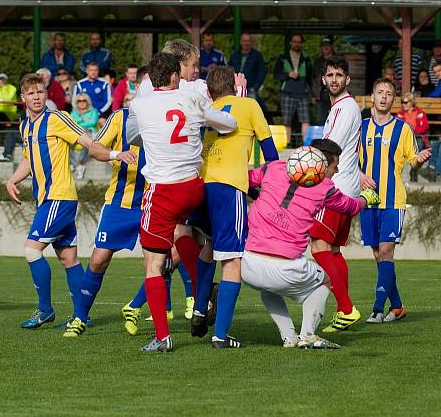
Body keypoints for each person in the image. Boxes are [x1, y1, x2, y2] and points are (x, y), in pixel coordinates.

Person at [126, 52, 237, 352]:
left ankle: (163, 337)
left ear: (151, 78)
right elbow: (227, 123)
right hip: (193, 187)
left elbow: (132, 136)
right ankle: (201, 297)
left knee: (153, 264)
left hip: (162, 191)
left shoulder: (139, 104)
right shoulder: (192, 100)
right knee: (192, 237)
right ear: (176, 76)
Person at [5, 73, 134, 330]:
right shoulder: (25, 126)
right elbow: (29, 159)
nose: (37, 97)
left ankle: (45, 310)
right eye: (31, 93)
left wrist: (114, 153)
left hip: (60, 197)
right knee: (68, 259)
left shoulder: (57, 118)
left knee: (31, 250)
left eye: (40, 92)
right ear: (23, 98)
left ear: (46, 94)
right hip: (46, 199)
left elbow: (88, 141)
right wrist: (12, 180)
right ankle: (80, 315)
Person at [242, 139, 378, 349]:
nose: (337, 170)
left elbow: (245, 180)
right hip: (286, 266)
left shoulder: (274, 167)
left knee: (268, 289)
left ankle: (289, 337)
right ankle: (308, 335)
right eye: (335, 165)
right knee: (324, 280)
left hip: (248, 265)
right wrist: (365, 198)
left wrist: (259, 196)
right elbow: (350, 207)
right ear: (321, 164)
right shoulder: (324, 187)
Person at [189, 66, 278, 348]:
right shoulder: (249, 105)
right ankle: (220, 335)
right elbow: (270, 151)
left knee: (209, 246)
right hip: (228, 188)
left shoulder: (208, 109)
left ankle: (200, 308)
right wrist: (272, 183)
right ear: (236, 84)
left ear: (209, 90)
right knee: (233, 259)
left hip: (202, 185)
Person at [63, 93, 147, 338]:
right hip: (119, 204)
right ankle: (80, 317)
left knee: (167, 258)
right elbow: (95, 148)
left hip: (153, 202)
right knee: (99, 258)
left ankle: (134, 306)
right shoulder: (120, 117)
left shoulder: (162, 118)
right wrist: (115, 154)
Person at [360, 78, 431, 324]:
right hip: (367, 201)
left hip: (393, 200)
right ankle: (398, 307)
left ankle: (378, 308)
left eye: (389, 93)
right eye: (380, 92)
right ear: (372, 96)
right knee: (379, 255)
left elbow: (413, 162)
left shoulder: (403, 129)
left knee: (387, 251)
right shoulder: (360, 128)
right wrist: (359, 176)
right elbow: (349, 162)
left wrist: (420, 159)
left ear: (393, 100)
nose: (383, 96)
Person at [308, 58, 363, 333]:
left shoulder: (344, 107)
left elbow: (332, 148)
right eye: (329, 74)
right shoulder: (342, 108)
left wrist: (305, 161)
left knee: (318, 248)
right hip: (347, 186)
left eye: (339, 75)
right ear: (323, 79)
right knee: (333, 251)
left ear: (347, 80)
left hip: (335, 188)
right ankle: (344, 311)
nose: (333, 79)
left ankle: (346, 307)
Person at [274, 34, 312, 145]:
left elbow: (311, 77)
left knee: (306, 120)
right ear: (291, 43)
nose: (297, 44)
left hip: (303, 92)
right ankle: (287, 144)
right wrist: (288, 74)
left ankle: (306, 144)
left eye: (299, 42)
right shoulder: (283, 57)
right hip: (287, 92)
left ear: (302, 44)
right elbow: (276, 74)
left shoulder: (306, 58)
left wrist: (313, 94)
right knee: (286, 121)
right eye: (294, 41)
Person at [311, 38, 341, 126]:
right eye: (324, 46)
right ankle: (322, 140)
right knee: (321, 119)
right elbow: (314, 79)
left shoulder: (338, 60)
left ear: (331, 47)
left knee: (336, 118)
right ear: (321, 48)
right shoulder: (317, 61)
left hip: (336, 92)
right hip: (321, 94)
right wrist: (314, 95)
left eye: (327, 45)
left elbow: (343, 75)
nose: (326, 47)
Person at [229, 32, 266, 102]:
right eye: (244, 41)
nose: (246, 43)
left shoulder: (257, 56)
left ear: (251, 42)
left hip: (250, 90)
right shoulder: (234, 56)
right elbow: (229, 71)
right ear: (240, 42)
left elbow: (262, 73)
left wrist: (255, 88)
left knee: (251, 111)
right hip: (235, 89)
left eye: (248, 41)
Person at [73, 61, 112, 126]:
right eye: (91, 70)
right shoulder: (80, 84)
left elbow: (108, 101)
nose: (93, 72)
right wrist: (80, 112)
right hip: (83, 113)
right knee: (73, 123)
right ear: (87, 71)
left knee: (103, 123)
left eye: (95, 70)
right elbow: (74, 100)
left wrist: (99, 112)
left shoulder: (104, 83)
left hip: (99, 113)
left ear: (98, 71)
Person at [70, 93, 99, 180]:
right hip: (76, 133)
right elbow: (71, 122)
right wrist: (83, 119)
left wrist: (79, 122)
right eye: (79, 101)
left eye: (84, 100)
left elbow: (93, 122)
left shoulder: (93, 111)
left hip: (90, 133)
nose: (82, 102)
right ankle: (77, 165)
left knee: (86, 138)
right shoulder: (73, 112)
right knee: (66, 141)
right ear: (76, 102)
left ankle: (77, 163)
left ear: (88, 102)